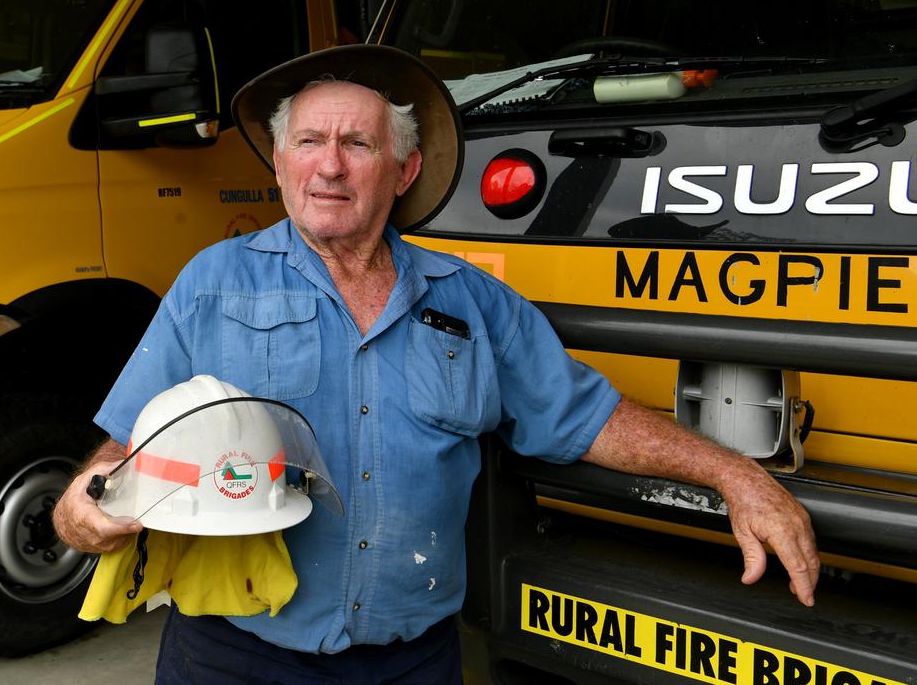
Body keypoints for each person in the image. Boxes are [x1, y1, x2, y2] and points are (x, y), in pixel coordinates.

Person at [54, 45, 818, 683]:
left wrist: (736, 475)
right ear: (282, 165)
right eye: (309, 143)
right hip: (234, 657)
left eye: (358, 145)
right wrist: (84, 504)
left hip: (412, 663)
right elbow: (131, 441)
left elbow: (587, 418)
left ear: (404, 171)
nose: (330, 167)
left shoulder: (475, 302)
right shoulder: (212, 283)